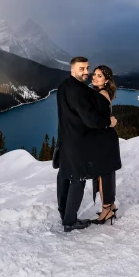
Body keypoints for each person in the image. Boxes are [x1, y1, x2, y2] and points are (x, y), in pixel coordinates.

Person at [56, 56, 117, 232]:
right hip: (78, 142)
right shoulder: (80, 91)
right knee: (78, 179)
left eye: (87, 68)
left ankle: (65, 215)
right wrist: (108, 122)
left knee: (65, 177)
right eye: (81, 69)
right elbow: (91, 120)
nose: (86, 72)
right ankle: (70, 221)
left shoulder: (64, 86)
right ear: (72, 70)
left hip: (65, 139)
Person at [90, 65, 121, 225]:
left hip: (104, 140)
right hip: (105, 139)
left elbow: (100, 121)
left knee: (103, 175)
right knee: (106, 173)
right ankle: (111, 205)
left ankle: (106, 210)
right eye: (94, 74)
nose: (94, 77)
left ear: (106, 80)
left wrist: (108, 122)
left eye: (99, 76)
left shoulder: (101, 95)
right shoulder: (100, 93)